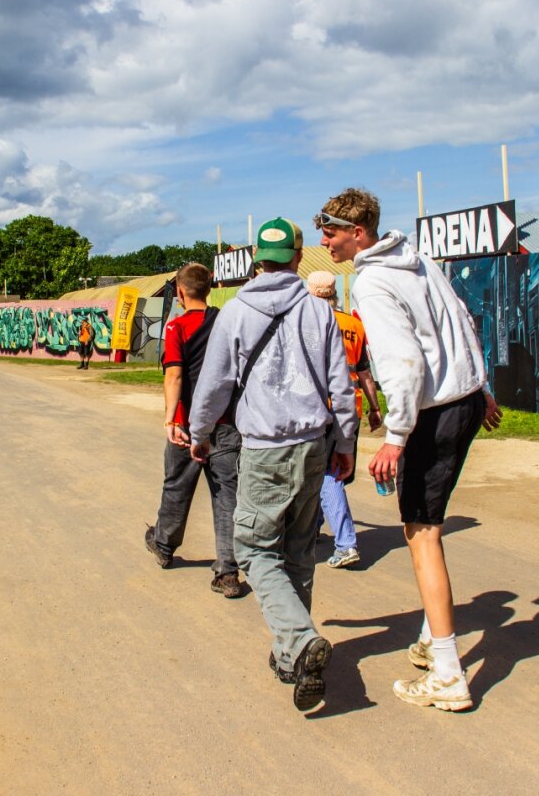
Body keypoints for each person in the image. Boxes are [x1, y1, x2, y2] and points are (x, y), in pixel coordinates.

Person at [317, 188, 501, 712]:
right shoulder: (418, 258)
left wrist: (395, 438)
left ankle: (448, 674)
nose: (324, 241)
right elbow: (464, 322)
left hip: (434, 411)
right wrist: (481, 387)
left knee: (421, 533)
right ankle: (428, 636)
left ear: (358, 232)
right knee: (430, 524)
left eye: (330, 231)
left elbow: (402, 364)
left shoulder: (373, 281)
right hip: (462, 400)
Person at [188, 217, 357, 712]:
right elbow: (339, 388)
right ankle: (291, 658)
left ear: (256, 260)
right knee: (300, 550)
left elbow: (215, 384)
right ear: (299, 259)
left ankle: (300, 641)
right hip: (312, 446)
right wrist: (345, 444)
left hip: (262, 447)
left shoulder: (235, 312)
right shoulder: (319, 311)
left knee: (256, 550)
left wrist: (199, 435)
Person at [144, 263, 243, 598]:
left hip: (187, 423)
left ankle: (163, 545)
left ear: (181, 292)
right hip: (226, 423)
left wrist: (171, 419)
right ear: (210, 288)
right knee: (226, 495)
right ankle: (228, 573)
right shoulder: (224, 323)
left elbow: (174, 375)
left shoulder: (176, 327)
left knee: (177, 485)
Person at [304, 270, 383, 568]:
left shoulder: (311, 323)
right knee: (331, 471)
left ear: (311, 293)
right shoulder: (354, 325)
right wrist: (376, 410)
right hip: (352, 409)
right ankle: (313, 528)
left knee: (326, 474)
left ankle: (345, 543)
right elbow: (365, 373)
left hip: (321, 410)